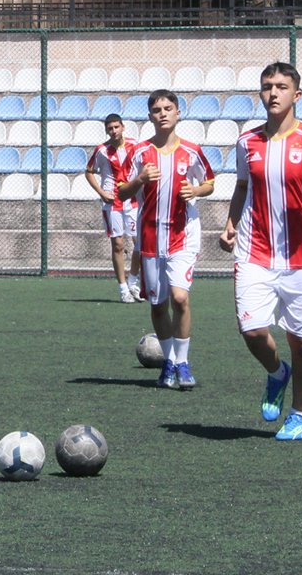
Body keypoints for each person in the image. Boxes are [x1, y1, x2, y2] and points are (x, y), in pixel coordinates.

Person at [219, 62, 302, 441]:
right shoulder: (247, 142)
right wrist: (230, 221)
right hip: (254, 252)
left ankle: (299, 414)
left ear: (296, 95)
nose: (273, 93)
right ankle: (277, 374)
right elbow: (242, 186)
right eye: (267, 86)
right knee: (253, 331)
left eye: (281, 87)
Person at [117, 90, 214, 391]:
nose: (162, 113)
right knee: (158, 304)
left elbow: (209, 182)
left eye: (168, 108)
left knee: (181, 298)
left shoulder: (192, 150)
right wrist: (139, 180)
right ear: (150, 116)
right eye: (156, 109)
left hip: (183, 234)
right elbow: (120, 192)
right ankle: (168, 362)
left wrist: (196, 191)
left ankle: (183, 363)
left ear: (178, 113)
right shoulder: (139, 153)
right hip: (149, 238)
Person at [85, 112, 143, 303]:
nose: (113, 131)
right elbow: (89, 172)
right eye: (110, 128)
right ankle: (123, 289)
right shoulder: (101, 150)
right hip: (112, 203)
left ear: (123, 127)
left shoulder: (135, 145)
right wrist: (102, 192)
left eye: (116, 127)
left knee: (140, 243)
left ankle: (133, 282)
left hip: (133, 201)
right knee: (118, 245)